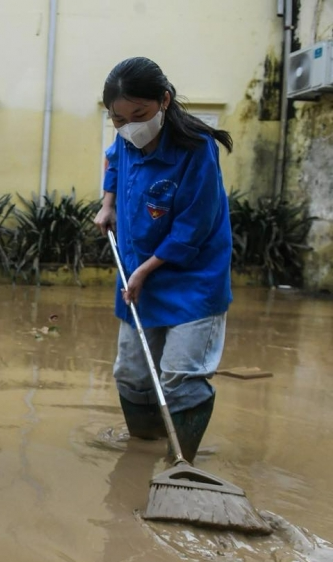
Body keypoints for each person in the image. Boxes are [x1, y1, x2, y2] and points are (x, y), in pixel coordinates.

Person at [95, 57, 233, 462]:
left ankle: (181, 464)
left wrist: (144, 270)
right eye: (118, 119)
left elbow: (194, 226)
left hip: (193, 277)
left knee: (180, 378)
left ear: (164, 101)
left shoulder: (197, 150)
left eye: (139, 114)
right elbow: (114, 161)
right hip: (139, 271)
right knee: (132, 374)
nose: (129, 126)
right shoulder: (125, 139)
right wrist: (108, 205)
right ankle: (143, 452)